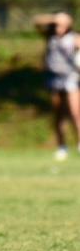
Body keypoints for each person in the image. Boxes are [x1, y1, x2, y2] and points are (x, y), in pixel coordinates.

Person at [34, 11, 80, 161]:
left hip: (71, 77)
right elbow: (37, 21)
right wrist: (54, 19)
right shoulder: (51, 36)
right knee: (58, 114)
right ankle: (62, 147)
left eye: (62, 24)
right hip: (55, 78)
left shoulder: (73, 38)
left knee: (75, 112)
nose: (58, 26)